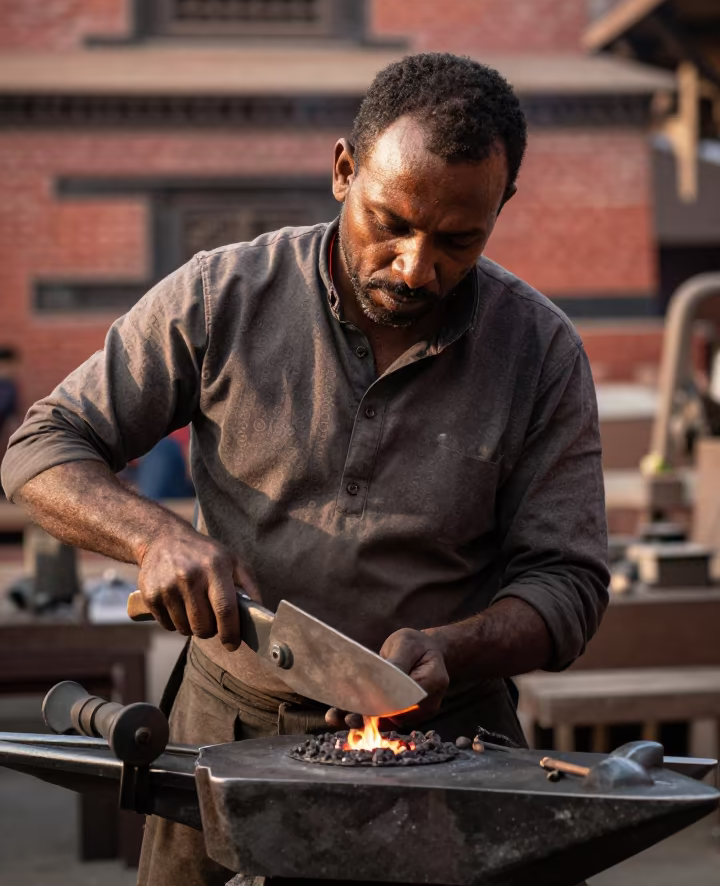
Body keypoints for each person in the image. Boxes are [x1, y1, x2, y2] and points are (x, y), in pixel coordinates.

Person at [2, 54, 609, 886]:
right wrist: (155, 537)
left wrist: (452, 650)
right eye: (389, 221)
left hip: (452, 751)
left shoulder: (539, 352)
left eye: (458, 240)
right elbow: (43, 446)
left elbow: (569, 585)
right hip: (227, 735)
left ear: (501, 208)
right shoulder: (223, 295)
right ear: (342, 171)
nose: (415, 266)